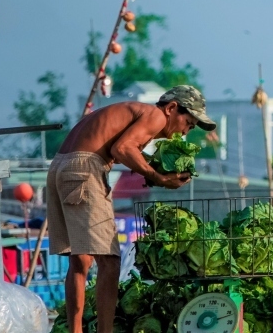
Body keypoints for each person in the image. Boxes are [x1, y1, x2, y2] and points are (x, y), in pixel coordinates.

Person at [46, 85, 216, 333]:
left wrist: (154, 169)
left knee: (80, 259)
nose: (185, 132)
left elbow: (123, 148)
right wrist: (157, 177)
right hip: (85, 167)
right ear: (171, 108)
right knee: (110, 262)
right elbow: (123, 148)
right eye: (188, 123)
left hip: (61, 166)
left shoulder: (133, 112)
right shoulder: (155, 115)